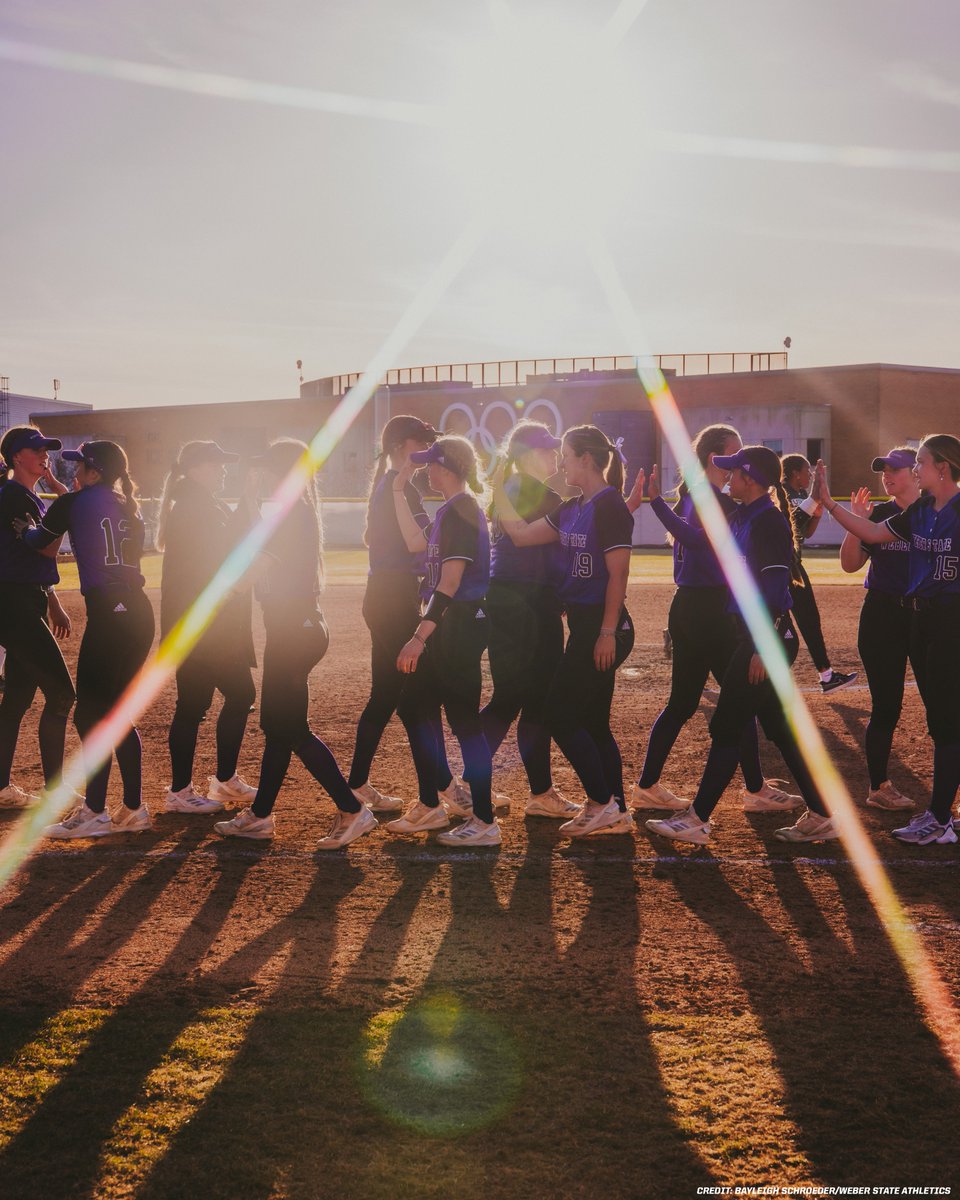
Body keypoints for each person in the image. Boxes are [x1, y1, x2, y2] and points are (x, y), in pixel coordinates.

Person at [646, 446, 838, 846]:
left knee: (727, 724)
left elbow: (772, 588)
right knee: (781, 732)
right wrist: (654, 504)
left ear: (749, 479)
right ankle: (821, 813)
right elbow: (696, 539)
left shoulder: (766, 522)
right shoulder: (743, 515)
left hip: (765, 639)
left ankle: (697, 819)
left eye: (733, 473)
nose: (727, 478)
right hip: (758, 638)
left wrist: (757, 648)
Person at [629, 425, 801, 816]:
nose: (738, 462)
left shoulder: (693, 496)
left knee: (683, 703)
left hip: (687, 606)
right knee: (739, 703)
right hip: (711, 610)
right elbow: (696, 540)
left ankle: (647, 784)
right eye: (733, 453)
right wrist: (655, 504)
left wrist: (657, 503)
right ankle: (755, 790)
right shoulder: (720, 504)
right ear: (714, 458)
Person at [214, 440, 376, 849]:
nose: (262, 473)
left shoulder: (292, 514)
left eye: (268, 467)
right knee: (277, 728)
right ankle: (261, 816)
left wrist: (218, 596)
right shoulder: (291, 511)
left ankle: (352, 810)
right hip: (291, 630)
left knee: (291, 729)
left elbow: (255, 564)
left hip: (295, 632)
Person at [814, 436, 960, 846]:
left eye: (921, 463)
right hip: (922, 620)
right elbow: (874, 534)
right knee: (942, 721)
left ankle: (940, 817)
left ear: (943, 467)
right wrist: (831, 505)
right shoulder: (920, 510)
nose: (915, 470)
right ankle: (940, 812)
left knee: (947, 720)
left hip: (951, 621)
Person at [493, 424, 635, 838]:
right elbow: (519, 536)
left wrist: (606, 632)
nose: (563, 462)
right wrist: (499, 486)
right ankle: (616, 807)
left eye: (568, 455)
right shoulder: (572, 507)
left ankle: (602, 803)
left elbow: (619, 575)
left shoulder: (608, 505)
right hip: (583, 624)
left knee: (557, 713)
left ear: (586, 460)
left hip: (603, 627)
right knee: (593, 723)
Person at [18, 441, 155, 838]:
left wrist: (24, 528)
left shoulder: (72, 504)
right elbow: (88, 512)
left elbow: (38, 544)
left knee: (90, 714)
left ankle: (95, 811)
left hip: (109, 615)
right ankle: (133, 808)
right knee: (115, 711)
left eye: (79, 467)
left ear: (93, 471)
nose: (73, 472)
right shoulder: (128, 503)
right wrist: (65, 494)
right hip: (139, 613)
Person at [346, 415, 464, 815]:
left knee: (385, 696)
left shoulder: (396, 487)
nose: (429, 450)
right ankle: (441, 789)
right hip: (392, 598)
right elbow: (420, 544)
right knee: (419, 696)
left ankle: (358, 784)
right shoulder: (399, 490)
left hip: (388, 596)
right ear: (400, 446)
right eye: (422, 442)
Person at [389, 435, 498, 847]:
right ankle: (432, 804)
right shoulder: (449, 510)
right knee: (412, 705)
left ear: (448, 468)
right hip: (445, 626)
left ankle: (485, 821)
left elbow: (450, 584)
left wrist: (418, 636)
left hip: (460, 625)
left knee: (465, 723)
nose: (426, 470)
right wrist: (399, 490)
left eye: (431, 464)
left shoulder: (463, 510)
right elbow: (415, 543)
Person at [482, 421, 579, 819]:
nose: (555, 455)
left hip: (520, 603)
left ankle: (540, 792)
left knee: (528, 700)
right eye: (548, 449)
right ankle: (457, 782)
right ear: (527, 455)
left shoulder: (516, 488)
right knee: (515, 700)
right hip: (527, 605)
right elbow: (534, 543)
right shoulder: (534, 491)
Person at [157, 441, 258, 814]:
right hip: (204, 625)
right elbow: (225, 551)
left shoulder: (199, 504)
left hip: (203, 623)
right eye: (218, 464)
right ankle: (198, 786)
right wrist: (246, 504)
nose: (224, 470)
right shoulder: (194, 507)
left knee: (197, 703)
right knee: (234, 694)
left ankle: (206, 784)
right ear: (199, 467)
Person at [839, 447, 919, 811]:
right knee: (886, 705)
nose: (887, 476)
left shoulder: (941, 513)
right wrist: (857, 522)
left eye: (895, 470)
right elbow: (850, 564)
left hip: (928, 617)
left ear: (917, 472)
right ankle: (878, 787)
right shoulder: (880, 514)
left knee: (942, 705)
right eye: (883, 471)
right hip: (882, 616)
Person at [0, 426, 75, 809]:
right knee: (63, 693)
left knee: (16, 698)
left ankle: (1, 789)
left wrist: (53, 602)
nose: (45, 455)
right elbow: (46, 552)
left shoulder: (24, 496)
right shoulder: (14, 496)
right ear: (17, 457)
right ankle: (55, 791)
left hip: (24, 600)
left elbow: (32, 559)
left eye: (47, 449)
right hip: (14, 603)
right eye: (37, 449)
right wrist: (65, 500)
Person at [781, 453, 857, 695]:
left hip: (794, 565)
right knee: (782, 627)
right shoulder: (780, 492)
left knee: (810, 620)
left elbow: (805, 533)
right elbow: (788, 524)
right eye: (807, 470)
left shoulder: (801, 496)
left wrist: (817, 511)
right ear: (795, 473)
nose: (810, 475)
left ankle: (826, 676)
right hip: (779, 568)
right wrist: (814, 498)